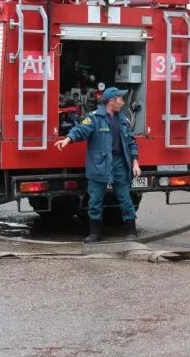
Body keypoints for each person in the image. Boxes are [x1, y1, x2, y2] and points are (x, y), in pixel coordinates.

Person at [54, 87, 141, 243]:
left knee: (125, 198)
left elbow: (131, 142)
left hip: (119, 163)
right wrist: (68, 139)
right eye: (120, 99)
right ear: (111, 101)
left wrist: (135, 162)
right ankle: (95, 233)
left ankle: (131, 231)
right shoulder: (94, 118)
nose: (122, 102)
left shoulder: (123, 120)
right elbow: (80, 130)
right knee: (95, 200)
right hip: (99, 164)